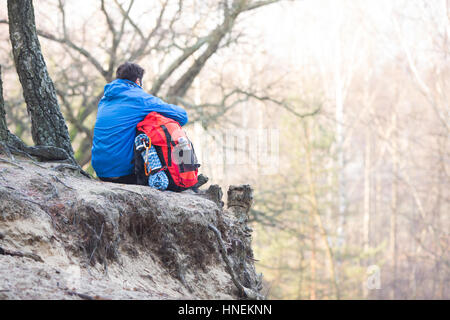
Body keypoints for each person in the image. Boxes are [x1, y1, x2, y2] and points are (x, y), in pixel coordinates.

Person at [92, 62, 188, 184]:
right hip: (124, 174)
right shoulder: (140, 98)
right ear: (138, 81)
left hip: (100, 170)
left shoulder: (105, 99)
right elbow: (182, 116)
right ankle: (173, 178)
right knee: (151, 125)